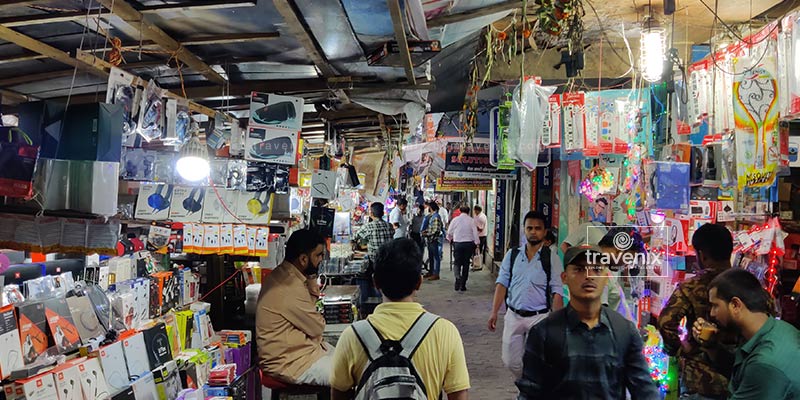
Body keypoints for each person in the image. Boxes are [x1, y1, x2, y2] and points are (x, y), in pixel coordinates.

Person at [330, 239, 470, 400]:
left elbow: (338, 394)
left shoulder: (352, 336)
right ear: (419, 282)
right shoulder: (445, 331)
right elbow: (459, 395)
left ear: (375, 282)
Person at [517, 245, 660, 399]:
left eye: (597, 269)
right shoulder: (544, 332)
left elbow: (645, 390)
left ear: (606, 278)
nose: (589, 276)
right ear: (564, 278)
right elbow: (529, 392)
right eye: (579, 269)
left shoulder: (624, 331)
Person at [658, 223, 738, 399]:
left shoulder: (691, 286)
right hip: (739, 379)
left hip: (700, 380)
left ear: (701, 254)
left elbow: (666, 322)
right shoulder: (746, 284)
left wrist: (681, 349)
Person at [488, 211, 564, 379]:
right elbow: (502, 283)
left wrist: (558, 323)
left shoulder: (552, 259)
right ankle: (528, 383)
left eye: (538, 228)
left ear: (544, 232)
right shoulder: (512, 255)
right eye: (529, 228)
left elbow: (557, 291)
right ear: (524, 230)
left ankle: (530, 390)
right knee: (510, 361)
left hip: (539, 318)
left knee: (536, 359)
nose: (533, 231)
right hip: (513, 315)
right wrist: (494, 312)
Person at [703, 269, 800, 399]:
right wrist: (711, 346)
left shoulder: (765, 364)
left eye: (715, 306)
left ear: (735, 305)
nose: (712, 314)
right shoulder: (780, 329)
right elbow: (741, 370)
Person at [256, 229, 331, 385]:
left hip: (303, 352)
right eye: (318, 255)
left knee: (352, 360)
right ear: (303, 259)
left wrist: (311, 276)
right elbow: (317, 327)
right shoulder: (289, 286)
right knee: (350, 374)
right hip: (292, 363)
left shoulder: (285, 275)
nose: (321, 259)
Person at [447, 205, 480, 292]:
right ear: (469, 212)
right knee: (466, 264)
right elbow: (475, 233)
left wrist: (450, 239)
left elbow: (449, 232)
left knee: (457, 263)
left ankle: (458, 278)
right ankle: (463, 284)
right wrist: (477, 243)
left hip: (458, 243)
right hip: (468, 244)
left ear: (460, 211)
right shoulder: (471, 221)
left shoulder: (455, 220)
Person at [422, 202, 444, 281]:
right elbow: (431, 228)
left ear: (431, 208)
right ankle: (431, 272)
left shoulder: (436, 217)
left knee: (436, 257)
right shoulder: (432, 216)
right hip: (430, 239)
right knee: (431, 257)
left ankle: (436, 273)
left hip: (433, 239)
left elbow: (435, 230)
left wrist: (426, 233)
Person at [473, 205, 488, 270]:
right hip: (477, 235)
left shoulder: (481, 217)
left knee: (479, 250)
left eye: (475, 210)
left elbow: (481, 228)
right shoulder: (477, 216)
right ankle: (476, 263)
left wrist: (474, 227)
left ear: (477, 210)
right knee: (476, 250)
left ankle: (479, 264)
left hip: (481, 236)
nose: (474, 212)